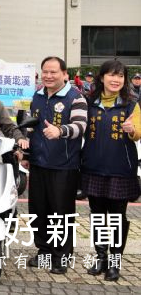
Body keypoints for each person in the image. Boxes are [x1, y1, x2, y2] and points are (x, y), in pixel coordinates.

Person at [20, 56, 87, 275]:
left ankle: (62, 256)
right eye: (45, 72)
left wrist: (61, 131)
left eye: (54, 72)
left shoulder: (75, 98)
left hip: (64, 165)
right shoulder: (37, 96)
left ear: (65, 74)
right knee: (39, 211)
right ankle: (44, 252)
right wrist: (27, 153)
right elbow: (32, 128)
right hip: (39, 163)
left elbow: (80, 126)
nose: (48, 76)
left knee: (61, 212)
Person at [81, 60, 140, 282]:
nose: (116, 80)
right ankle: (101, 257)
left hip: (120, 169)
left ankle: (115, 263)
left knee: (116, 217)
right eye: (111, 75)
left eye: (120, 76)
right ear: (102, 77)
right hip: (93, 167)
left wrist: (132, 129)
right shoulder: (89, 103)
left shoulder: (131, 104)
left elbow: (138, 132)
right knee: (97, 217)